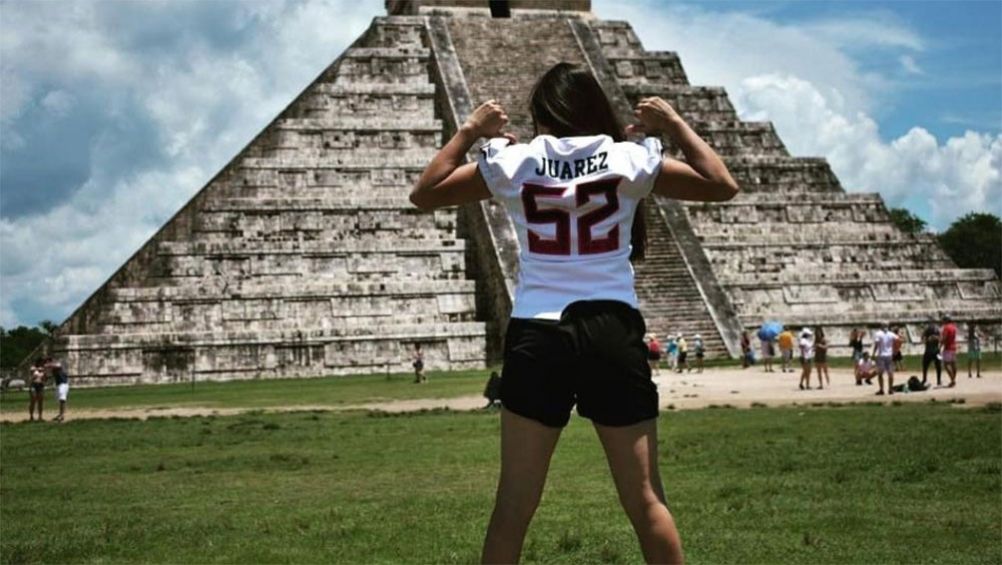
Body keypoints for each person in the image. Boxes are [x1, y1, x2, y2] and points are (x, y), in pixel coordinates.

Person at [410, 61, 739, 564]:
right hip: (612, 327)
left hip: (538, 332)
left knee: (513, 508)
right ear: (594, 107)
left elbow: (425, 193)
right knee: (647, 501)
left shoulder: (515, 161)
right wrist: (672, 124)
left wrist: (471, 130)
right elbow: (721, 184)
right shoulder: (627, 158)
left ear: (542, 114)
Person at [872, 322, 896, 395]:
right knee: (890, 373)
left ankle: (881, 389)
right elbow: (899, 340)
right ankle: (890, 389)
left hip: (881, 355)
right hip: (889, 355)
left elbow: (876, 344)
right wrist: (895, 350)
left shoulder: (878, 334)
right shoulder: (891, 334)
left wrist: (873, 353)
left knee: (880, 373)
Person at [921, 321, 942, 386]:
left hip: (930, 350)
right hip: (935, 350)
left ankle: (925, 379)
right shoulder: (937, 330)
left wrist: (928, 340)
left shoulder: (927, 329)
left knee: (926, 365)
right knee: (937, 365)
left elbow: (922, 338)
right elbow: (940, 338)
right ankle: (938, 380)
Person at [940, 314, 958, 388]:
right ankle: (953, 379)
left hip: (948, 347)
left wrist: (940, 345)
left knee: (946, 364)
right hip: (954, 346)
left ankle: (952, 380)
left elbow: (944, 338)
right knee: (953, 364)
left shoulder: (946, 328)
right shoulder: (954, 327)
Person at [28, 358, 46, 422]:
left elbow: (45, 378)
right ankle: (31, 416)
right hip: (33, 385)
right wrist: (39, 370)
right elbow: (32, 372)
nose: (42, 364)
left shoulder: (43, 369)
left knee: (40, 401)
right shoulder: (33, 368)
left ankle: (40, 416)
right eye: (41, 362)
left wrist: (44, 376)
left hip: (40, 385)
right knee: (33, 400)